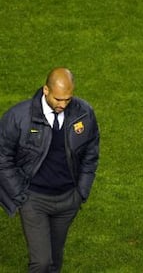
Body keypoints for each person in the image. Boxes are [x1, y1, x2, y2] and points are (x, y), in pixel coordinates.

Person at [0, 67, 100, 271]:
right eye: (58, 99)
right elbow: (2, 157)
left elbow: (91, 153)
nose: (63, 105)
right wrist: (19, 194)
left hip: (67, 200)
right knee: (41, 262)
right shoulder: (18, 117)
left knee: (54, 260)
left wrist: (81, 192)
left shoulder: (84, 113)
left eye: (68, 99)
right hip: (34, 201)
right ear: (46, 90)